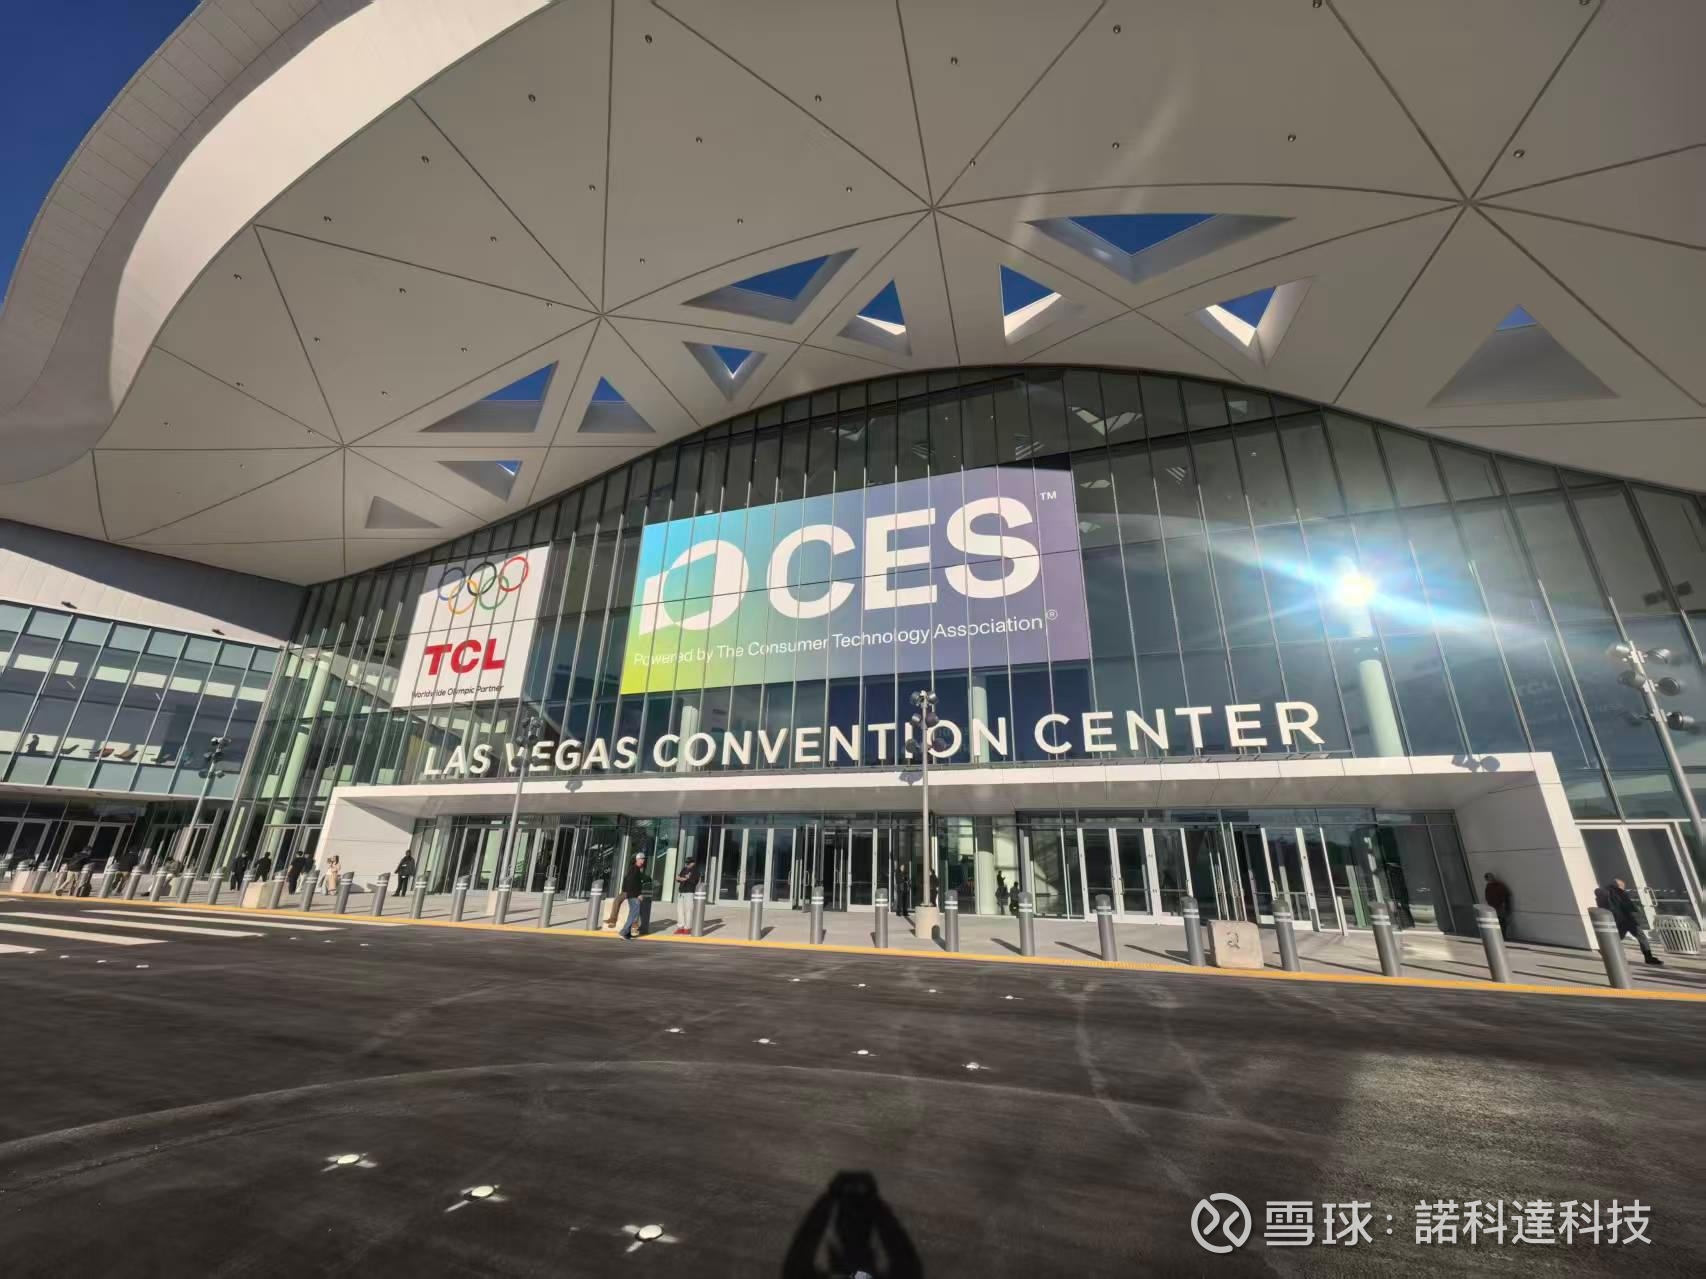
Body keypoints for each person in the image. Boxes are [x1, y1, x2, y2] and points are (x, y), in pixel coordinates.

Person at [1595, 877, 1663, 967]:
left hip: (1616, 918)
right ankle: (1648, 957)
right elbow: (1628, 905)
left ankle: (1604, 950)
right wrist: (1637, 910)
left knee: (1618, 936)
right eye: (1623, 886)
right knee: (1641, 936)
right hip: (1627, 918)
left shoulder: (1604, 893)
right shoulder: (1620, 893)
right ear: (1619, 886)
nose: (1623, 888)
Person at [618, 852, 651, 939]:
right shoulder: (634, 869)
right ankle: (623, 932)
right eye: (642, 859)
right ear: (637, 859)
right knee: (633, 914)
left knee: (632, 914)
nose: (643, 860)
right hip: (633, 895)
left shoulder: (635, 869)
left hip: (632, 894)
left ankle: (627, 933)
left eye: (644, 859)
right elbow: (631, 883)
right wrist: (638, 894)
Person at [674, 855, 701, 934]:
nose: (687, 864)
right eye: (686, 863)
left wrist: (686, 879)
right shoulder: (684, 869)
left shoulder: (696, 871)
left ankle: (687, 928)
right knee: (680, 910)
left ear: (693, 863)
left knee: (688, 910)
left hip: (689, 892)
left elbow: (694, 881)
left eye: (688, 863)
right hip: (681, 891)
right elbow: (678, 878)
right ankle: (680, 927)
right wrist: (682, 878)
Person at [1482, 872, 1513, 939]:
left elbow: (1505, 895)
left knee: (1502, 922)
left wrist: (1504, 905)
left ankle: (1503, 936)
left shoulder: (1499, 885)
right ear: (1487, 879)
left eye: (1492, 876)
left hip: (1500, 907)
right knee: (1497, 922)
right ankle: (1500, 936)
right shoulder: (1488, 887)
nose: (1492, 878)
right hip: (1493, 908)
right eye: (1490, 877)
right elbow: (1488, 897)